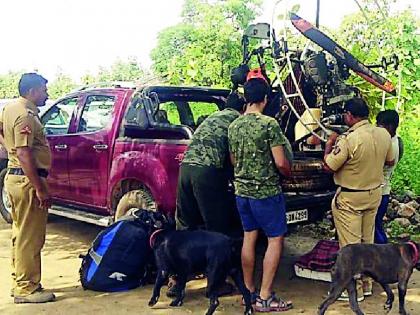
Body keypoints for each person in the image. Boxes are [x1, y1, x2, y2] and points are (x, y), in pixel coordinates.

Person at [228, 78, 293, 312]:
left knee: (249, 237)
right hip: (266, 193)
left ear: (246, 99)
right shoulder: (269, 124)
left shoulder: (234, 125)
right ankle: (265, 297)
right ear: (265, 99)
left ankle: (248, 291)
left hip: (242, 193)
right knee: (275, 240)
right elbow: (280, 162)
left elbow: (234, 161)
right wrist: (288, 172)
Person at [323, 98, 395, 301]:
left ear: (350, 116)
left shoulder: (348, 139)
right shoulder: (383, 133)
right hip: (374, 195)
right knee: (367, 242)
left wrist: (330, 144)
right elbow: (389, 160)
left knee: (350, 247)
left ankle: (349, 290)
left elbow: (330, 166)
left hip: (350, 197)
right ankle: (367, 285)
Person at [0, 73, 55, 303]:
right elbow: (24, 153)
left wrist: (8, 148)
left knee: (21, 234)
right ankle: (26, 288)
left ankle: (21, 280)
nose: (47, 94)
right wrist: (40, 188)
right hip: (26, 180)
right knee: (30, 237)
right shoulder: (25, 115)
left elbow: (2, 131)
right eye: (44, 90)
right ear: (32, 91)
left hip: (16, 178)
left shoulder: (11, 108)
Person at [175, 91, 245, 236]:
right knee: (216, 227)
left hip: (185, 168)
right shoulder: (238, 122)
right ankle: (219, 257)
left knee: (186, 224)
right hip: (206, 171)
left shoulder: (212, 116)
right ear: (244, 107)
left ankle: (185, 256)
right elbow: (235, 157)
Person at [375, 110, 403, 244]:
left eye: (379, 125)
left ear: (389, 127)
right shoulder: (397, 141)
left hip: (379, 192)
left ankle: (385, 256)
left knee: (375, 228)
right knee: (377, 226)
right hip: (384, 191)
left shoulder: (389, 144)